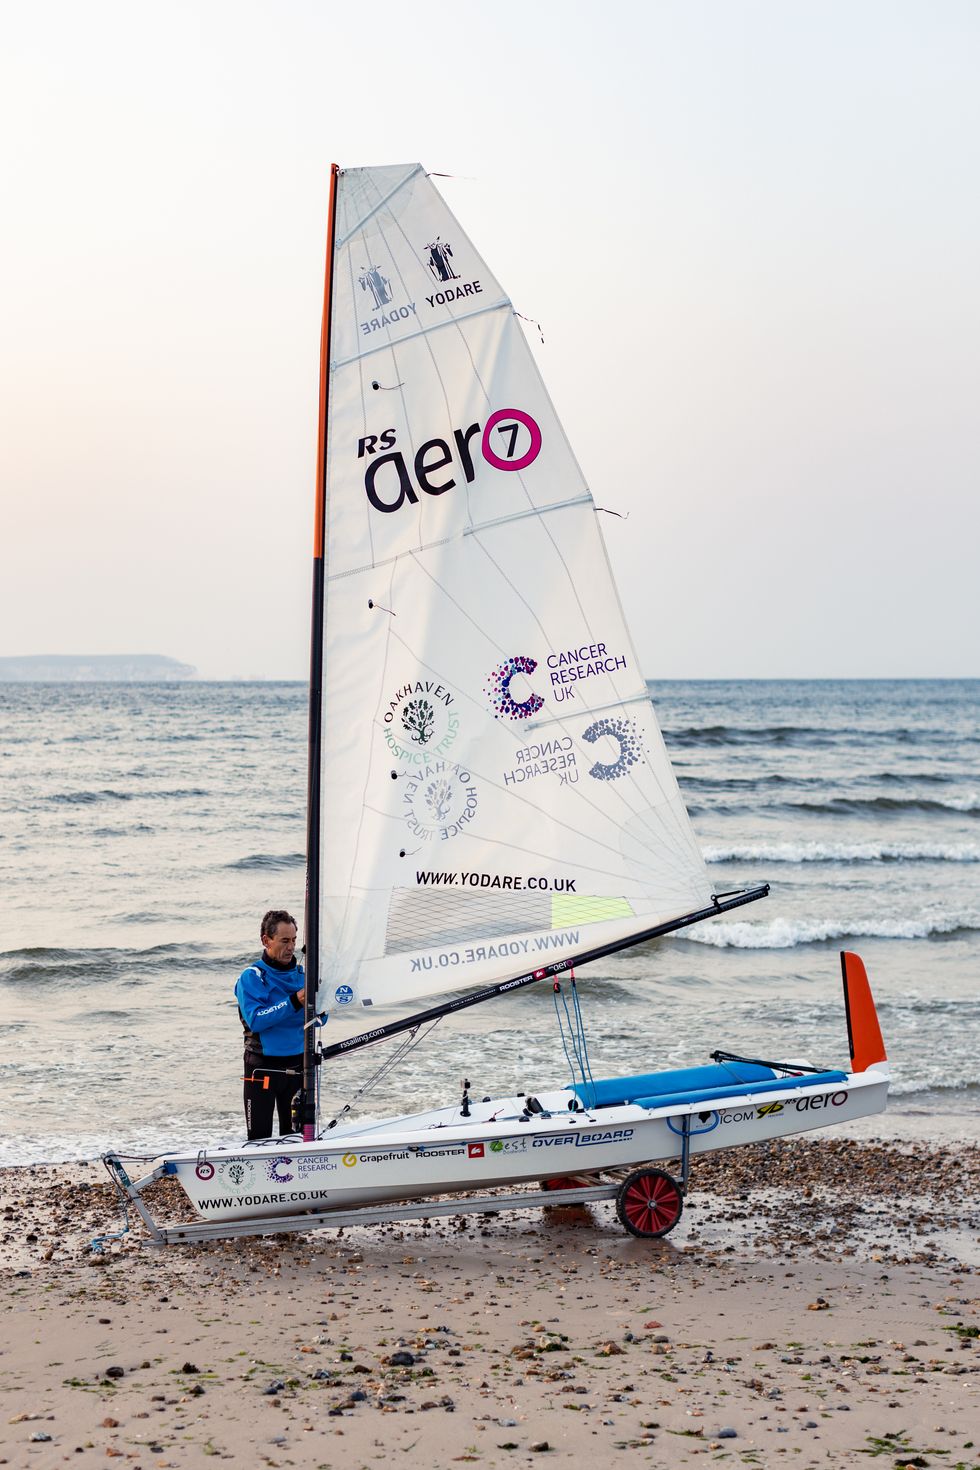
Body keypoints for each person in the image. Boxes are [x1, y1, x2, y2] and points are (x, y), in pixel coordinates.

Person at [235, 909, 305, 1140]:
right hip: (262, 1068)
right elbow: (257, 1020)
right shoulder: (252, 977)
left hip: (298, 1066)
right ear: (266, 940)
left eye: (294, 940)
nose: (290, 947)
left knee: (297, 1140)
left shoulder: (304, 976)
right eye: (284, 940)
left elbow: (321, 1018)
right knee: (259, 1140)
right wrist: (295, 1001)